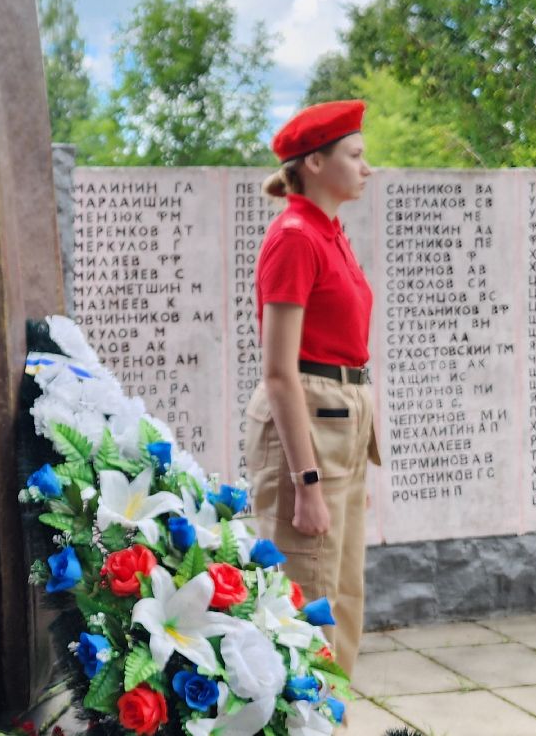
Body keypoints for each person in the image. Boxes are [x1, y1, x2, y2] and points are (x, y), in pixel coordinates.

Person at [244, 100, 380, 677]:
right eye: (355, 155)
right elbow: (280, 372)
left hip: (340, 422)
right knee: (306, 604)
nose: (367, 166)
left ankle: (330, 718)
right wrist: (307, 483)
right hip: (310, 428)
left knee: (341, 599)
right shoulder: (296, 237)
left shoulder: (329, 233)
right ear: (316, 162)